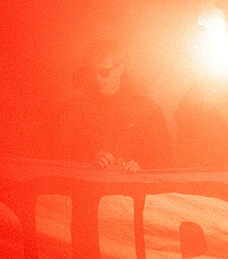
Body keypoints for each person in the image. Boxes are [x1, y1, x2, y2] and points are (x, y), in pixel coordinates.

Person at [61, 41, 172, 172]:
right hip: (90, 187)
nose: (97, 78)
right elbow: (61, 152)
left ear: (120, 69)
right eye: (92, 72)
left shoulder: (147, 110)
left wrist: (140, 165)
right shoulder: (75, 109)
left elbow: (164, 157)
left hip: (132, 188)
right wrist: (89, 158)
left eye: (104, 72)